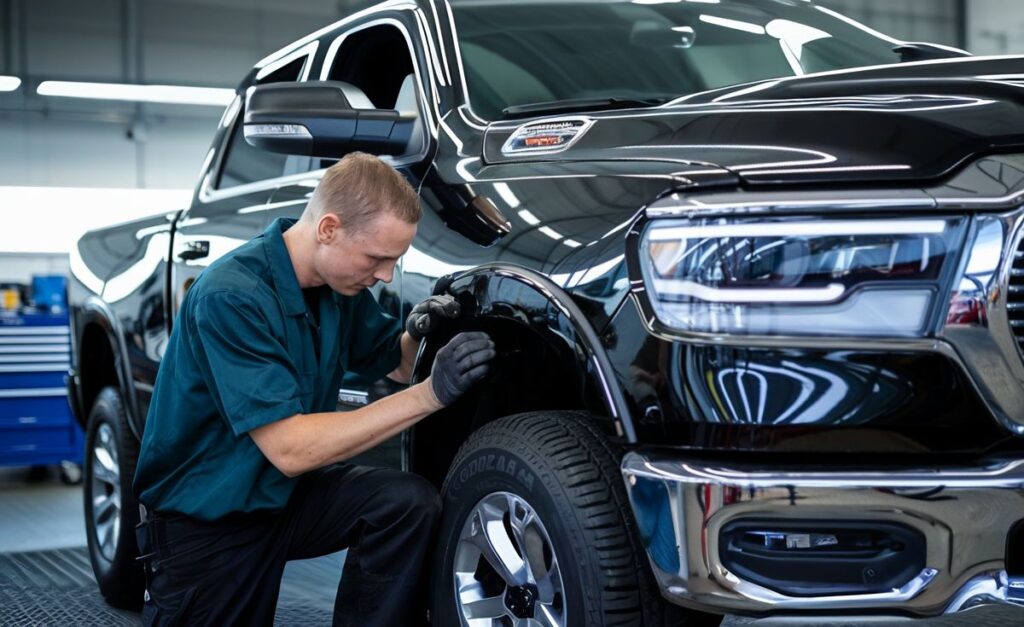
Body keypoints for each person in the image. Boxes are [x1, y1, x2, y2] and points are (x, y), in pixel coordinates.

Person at [132, 152, 494, 626]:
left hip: (284, 498)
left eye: (394, 261)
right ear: (328, 228)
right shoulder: (233, 296)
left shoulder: (337, 288)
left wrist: (424, 338)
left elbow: (397, 364)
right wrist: (432, 394)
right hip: (209, 525)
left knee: (405, 504)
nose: (386, 275)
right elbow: (291, 449)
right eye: (377, 258)